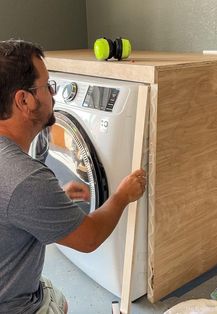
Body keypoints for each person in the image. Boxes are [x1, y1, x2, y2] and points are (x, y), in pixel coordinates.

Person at [0, 39, 146, 314]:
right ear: (24, 100)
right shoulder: (25, 180)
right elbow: (89, 239)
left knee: (60, 299)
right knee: (60, 303)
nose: (54, 96)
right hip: (12, 305)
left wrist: (56, 201)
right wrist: (122, 195)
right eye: (47, 86)